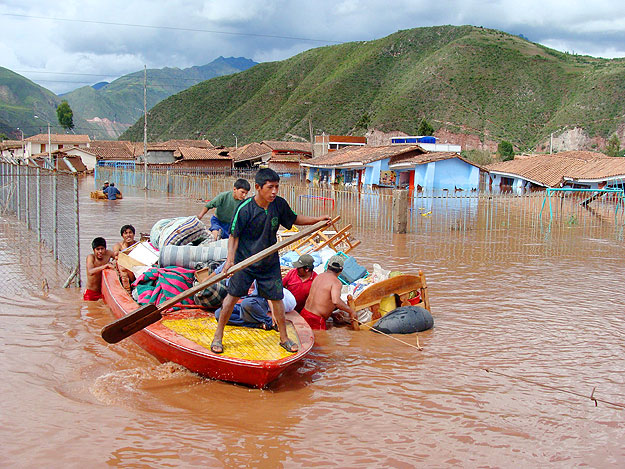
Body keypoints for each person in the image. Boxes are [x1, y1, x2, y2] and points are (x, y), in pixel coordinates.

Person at [210, 168, 330, 354]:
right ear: (258, 187)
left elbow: (294, 218)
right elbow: (234, 236)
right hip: (246, 262)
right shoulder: (244, 209)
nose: (274, 191)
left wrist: (317, 220)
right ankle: (218, 336)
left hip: (269, 261)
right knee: (232, 297)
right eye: (270, 187)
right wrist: (230, 261)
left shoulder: (279, 205)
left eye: (276, 187)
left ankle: (284, 338)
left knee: (277, 299)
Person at [299, 254, 357, 330]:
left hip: (304, 313)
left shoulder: (318, 276)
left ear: (328, 266)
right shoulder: (336, 282)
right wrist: (351, 311)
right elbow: (336, 301)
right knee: (320, 341)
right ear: (341, 270)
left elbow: (321, 299)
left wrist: (331, 314)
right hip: (315, 319)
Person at [113, 224, 137, 292]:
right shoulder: (119, 245)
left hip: (136, 266)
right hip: (125, 268)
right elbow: (116, 253)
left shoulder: (138, 245)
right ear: (122, 236)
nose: (128, 235)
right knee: (121, 265)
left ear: (133, 234)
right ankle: (127, 290)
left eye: (130, 233)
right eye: (125, 233)